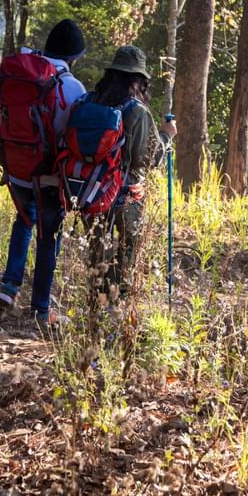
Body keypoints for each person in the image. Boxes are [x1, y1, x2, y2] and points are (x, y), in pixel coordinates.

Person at [0, 19, 87, 326]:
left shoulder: (16, 74)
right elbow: (73, 135)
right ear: (74, 57)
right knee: (49, 236)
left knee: (24, 220)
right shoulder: (72, 87)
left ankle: (9, 287)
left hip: (17, 169)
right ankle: (41, 309)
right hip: (48, 174)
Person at [84, 45, 177, 308]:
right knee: (127, 251)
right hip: (125, 195)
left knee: (97, 250)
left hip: (89, 191)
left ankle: (97, 304)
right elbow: (147, 160)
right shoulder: (136, 110)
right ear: (139, 79)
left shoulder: (91, 100)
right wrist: (167, 134)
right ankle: (117, 306)